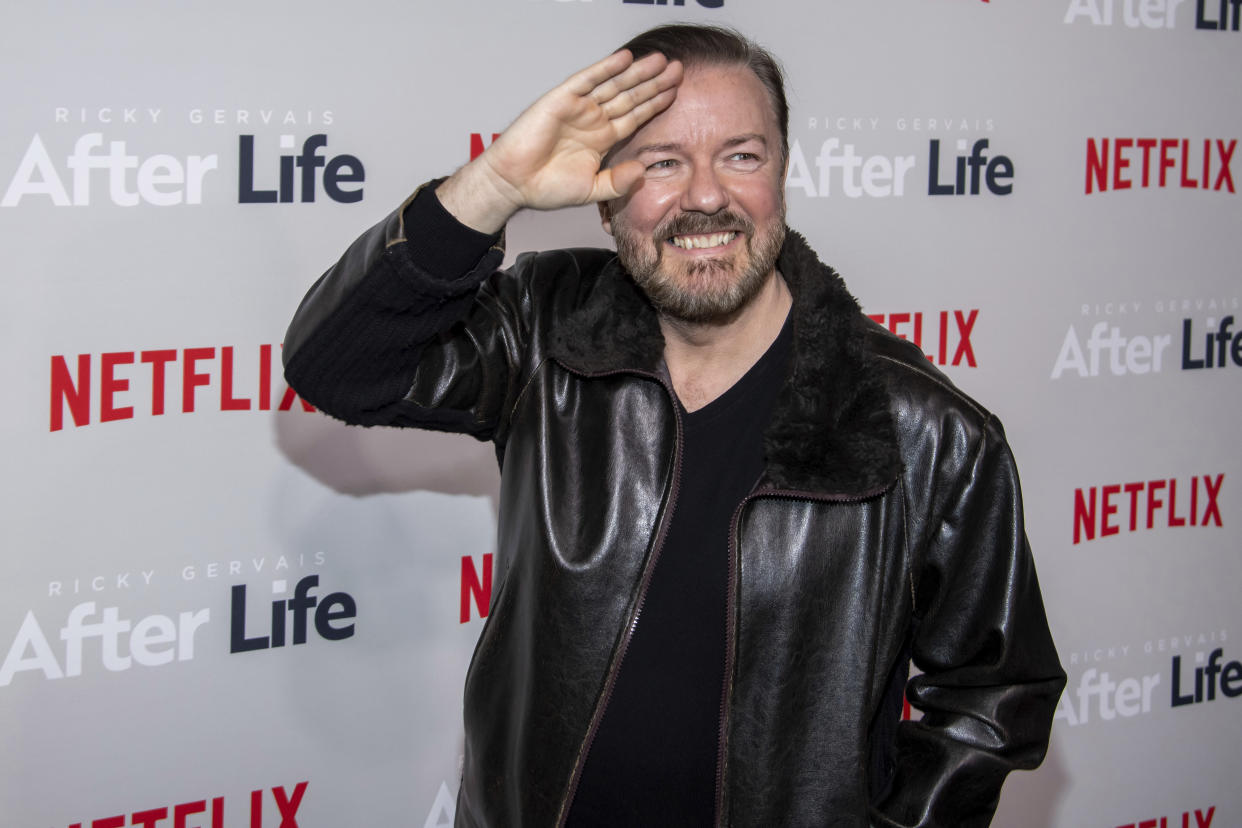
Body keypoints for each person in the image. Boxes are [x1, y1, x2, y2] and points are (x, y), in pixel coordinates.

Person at [284, 23, 1065, 828]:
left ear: (784, 174)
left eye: (741, 155)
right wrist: (492, 185)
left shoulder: (926, 432)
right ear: (603, 189)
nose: (703, 196)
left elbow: (994, 695)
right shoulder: (548, 332)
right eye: (661, 162)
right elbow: (338, 367)